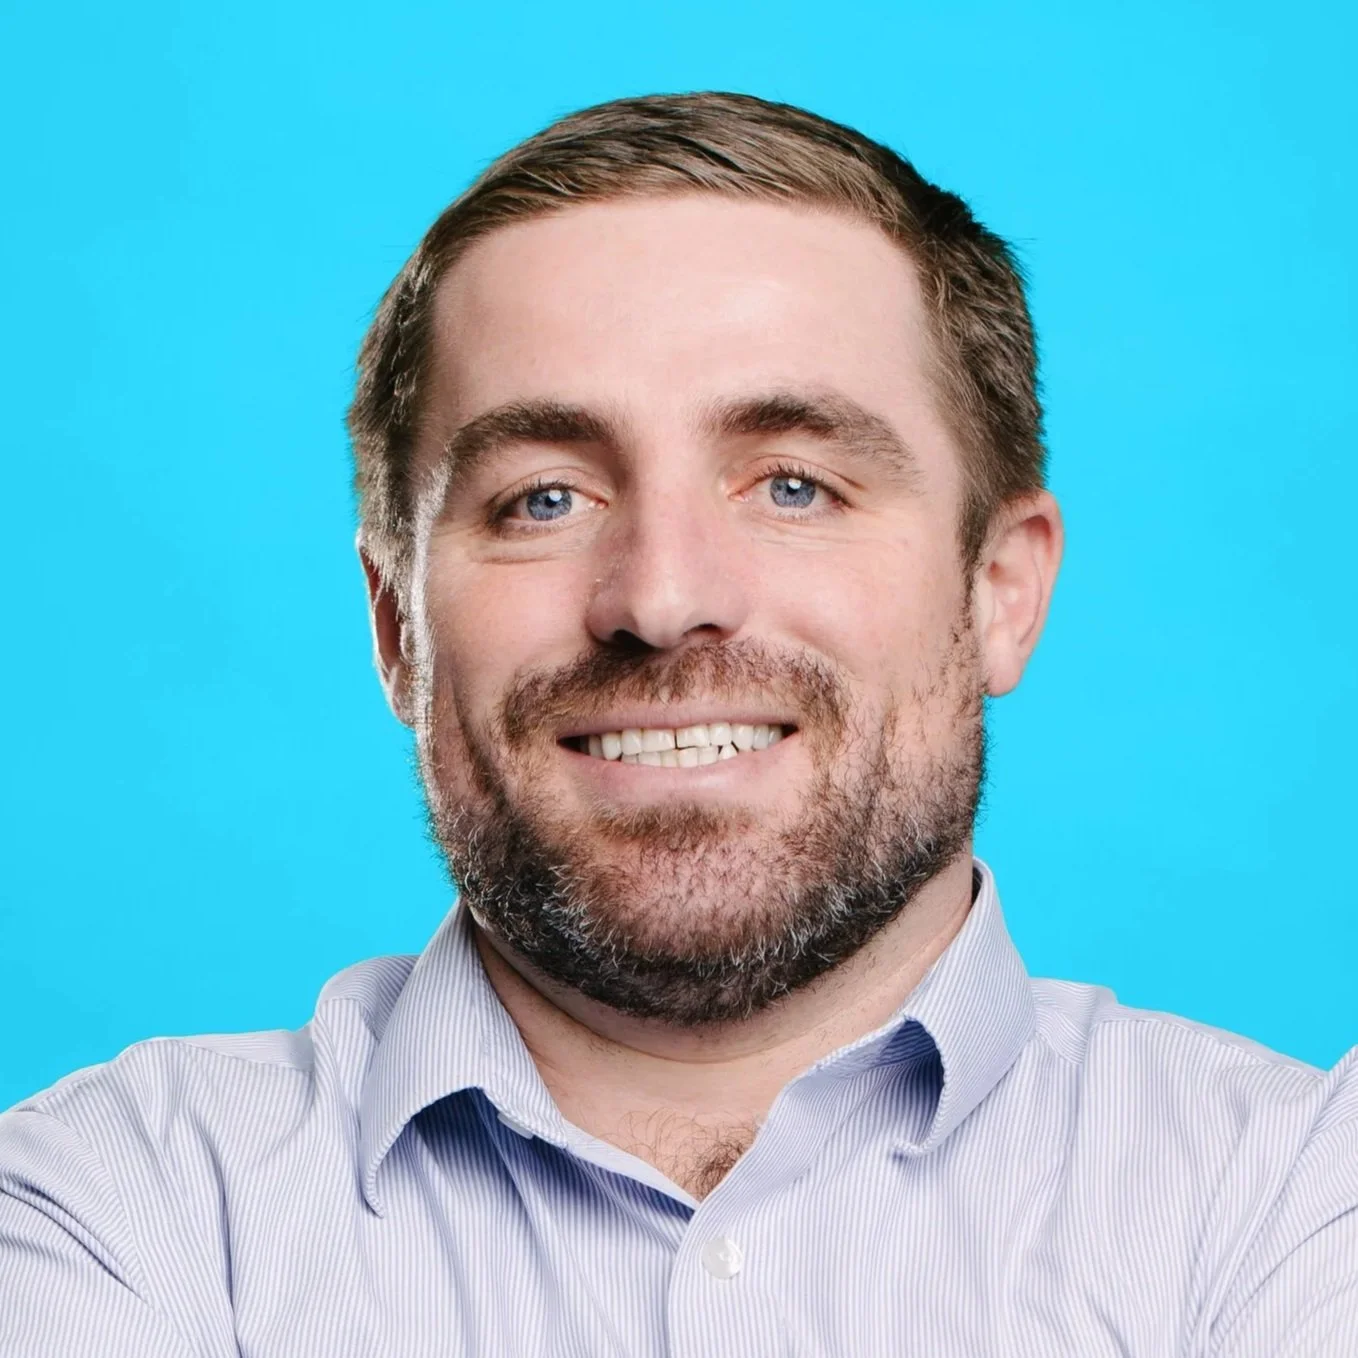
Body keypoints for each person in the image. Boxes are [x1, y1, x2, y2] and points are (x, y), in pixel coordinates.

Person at [2, 90, 1354, 1358]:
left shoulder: (1285, 1197)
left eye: (793, 483)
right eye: (542, 497)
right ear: (398, 627)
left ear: (998, 592)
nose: (661, 597)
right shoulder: (113, 1210)